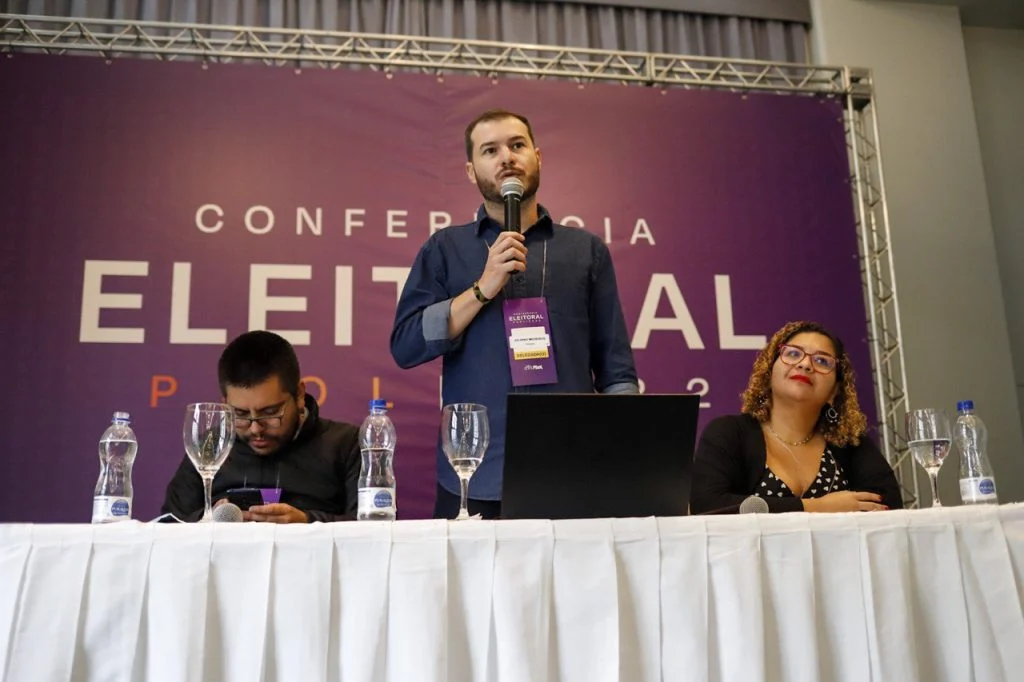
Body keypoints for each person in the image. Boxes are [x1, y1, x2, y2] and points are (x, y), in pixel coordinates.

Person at [390, 108, 638, 519]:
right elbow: (406, 345)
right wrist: (482, 288)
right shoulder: (445, 249)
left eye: (517, 145)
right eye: (490, 150)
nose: (506, 157)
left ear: (538, 156)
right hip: (472, 474)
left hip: (573, 470)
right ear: (471, 171)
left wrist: (625, 462)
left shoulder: (585, 251)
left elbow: (617, 372)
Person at [690, 321, 903, 514]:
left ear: (835, 391)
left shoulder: (850, 444)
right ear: (769, 371)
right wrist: (818, 507)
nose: (805, 365)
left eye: (822, 361)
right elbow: (708, 505)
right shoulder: (729, 433)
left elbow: (887, 506)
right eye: (793, 354)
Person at [161, 330, 361, 522]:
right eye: (240, 414)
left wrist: (307, 522)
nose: (256, 429)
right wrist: (209, 519)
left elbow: (374, 529)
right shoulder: (210, 446)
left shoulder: (345, 444)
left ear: (299, 395)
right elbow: (168, 527)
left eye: (270, 413)